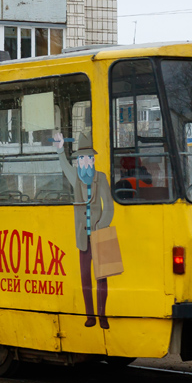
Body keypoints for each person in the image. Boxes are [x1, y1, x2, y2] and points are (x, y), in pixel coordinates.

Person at [54, 130, 115, 329]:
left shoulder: (101, 178)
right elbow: (64, 167)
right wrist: (60, 150)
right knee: (85, 278)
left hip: (99, 235)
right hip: (83, 238)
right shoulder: (77, 180)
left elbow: (110, 207)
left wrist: (100, 225)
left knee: (102, 278)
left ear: (93, 159)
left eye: (88, 157)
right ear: (78, 160)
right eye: (82, 158)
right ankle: (90, 316)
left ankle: (103, 315)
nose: (85, 161)